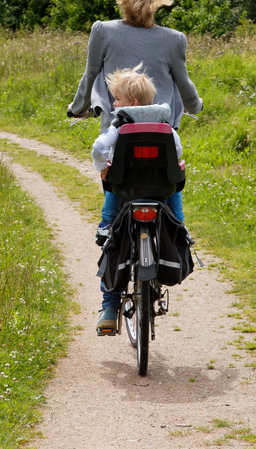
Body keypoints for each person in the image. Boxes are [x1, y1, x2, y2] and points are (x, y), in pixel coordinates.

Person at [67, 0, 202, 334]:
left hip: (122, 143)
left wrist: (78, 108)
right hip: (161, 138)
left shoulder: (102, 31)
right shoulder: (174, 38)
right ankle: (180, 241)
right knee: (170, 194)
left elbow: (90, 76)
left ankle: (109, 306)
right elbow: (184, 85)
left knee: (113, 215)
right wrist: (194, 107)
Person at [90, 63, 183, 335]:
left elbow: (99, 147)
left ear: (130, 102)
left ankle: (106, 229)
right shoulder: (165, 125)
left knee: (111, 224)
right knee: (176, 181)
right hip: (161, 193)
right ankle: (179, 227)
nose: (113, 103)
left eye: (116, 98)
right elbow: (176, 154)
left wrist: (102, 166)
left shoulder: (120, 124)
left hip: (126, 192)